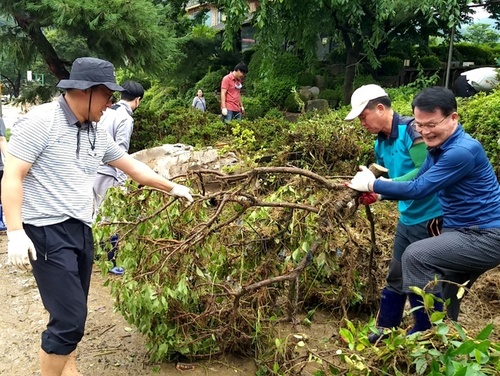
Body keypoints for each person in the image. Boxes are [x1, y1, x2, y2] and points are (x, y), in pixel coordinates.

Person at [2, 57, 193, 376]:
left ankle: (69, 370)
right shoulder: (41, 122)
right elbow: (12, 175)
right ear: (88, 91)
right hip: (46, 231)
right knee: (69, 321)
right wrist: (15, 232)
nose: (110, 104)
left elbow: (132, 167)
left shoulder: (94, 132)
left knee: (71, 309)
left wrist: (172, 187)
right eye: (107, 96)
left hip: (81, 228)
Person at [348, 86, 500, 335]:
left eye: (431, 124)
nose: (424, 132)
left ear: (453, 118)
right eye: (419, 125)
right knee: (444, 287)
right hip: (459, 230)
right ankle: (431, 338)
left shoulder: (461, 151)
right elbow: (421, 180)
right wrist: (379, 192)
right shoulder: (437, 148)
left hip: (484, 235)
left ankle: (427, 334)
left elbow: (420, 188)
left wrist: (373, 184)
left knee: (417, 257)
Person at [345, 84, 442, 342]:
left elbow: (424, 173)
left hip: (430, 217)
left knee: (424, 279)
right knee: (396, 273)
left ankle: (427, 333)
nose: (362, 123)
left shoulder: (412, 130)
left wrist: (381, 188)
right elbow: (390, 178)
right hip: (407, 217)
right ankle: (385, 328)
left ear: (379, 108)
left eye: (363, 117)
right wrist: (374, 191)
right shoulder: (381, 143)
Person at [93, 80, 145, 275]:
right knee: (110, 218)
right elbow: (121, 154)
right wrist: (123, 185)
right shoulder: (125, 118)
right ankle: (109, 262)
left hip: (93, 171)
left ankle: (95, 255)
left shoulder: (107, 111)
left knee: (96, 215)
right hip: (108, 173)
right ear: (137, 100)